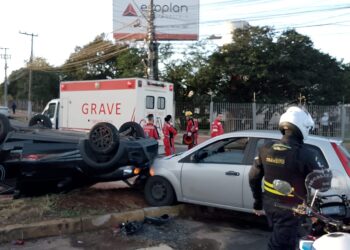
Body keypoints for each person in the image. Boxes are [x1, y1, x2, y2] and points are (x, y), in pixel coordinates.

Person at [249, 106, 332, 250]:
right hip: (292, 210)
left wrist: (257, 202)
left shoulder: (265, 148)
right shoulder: (307, 154)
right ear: (302, 127)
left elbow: (253, 177)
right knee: (281, 245)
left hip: (270, 205)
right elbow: (323, 184)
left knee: (285, 239)